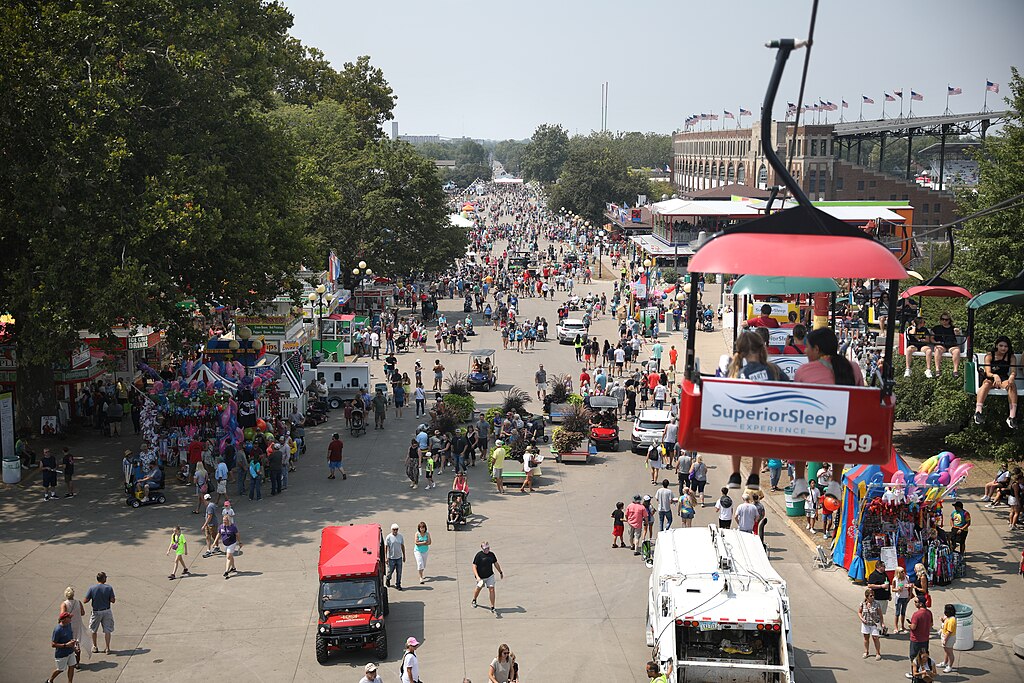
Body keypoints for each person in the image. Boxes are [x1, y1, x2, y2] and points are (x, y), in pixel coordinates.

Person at [792, 327, 864, 501]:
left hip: (812, 432)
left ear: (817, 349)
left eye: (808, 347)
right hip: (843, 434)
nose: (806, 351)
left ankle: (800, 479)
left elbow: (795, 401)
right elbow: (862, 396)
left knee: (798, 428)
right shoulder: (852, 367)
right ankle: (835, 482)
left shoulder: (804, 371)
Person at [726, 331, 788, 493]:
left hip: (742, 422)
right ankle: (754, 474)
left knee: (735, 433)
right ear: (762, 348)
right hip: (767, 422)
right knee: (760, 435)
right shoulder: (773, 370)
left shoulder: (735, 373)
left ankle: (735, 473)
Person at [974, 335, 1017, 428]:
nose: (1003, 348)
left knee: (1012, 385)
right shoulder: (990, 356)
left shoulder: (1011, 357)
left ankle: (1012, 416)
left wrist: (1012, 376)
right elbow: (988, 372)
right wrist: (995, 376)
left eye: (1005, 346)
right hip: (991, 377)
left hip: (1003, 378)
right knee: (986, 384)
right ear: (997, 345)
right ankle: (978, 411)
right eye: (1001, 346)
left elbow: (1013, 370)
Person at [83, 572, 115, 654]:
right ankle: (107, 648)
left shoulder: (92, 588)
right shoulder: (109, 588)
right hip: (107, 610)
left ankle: (95, 646)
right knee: (107, 630)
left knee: (94, 630)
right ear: (104, 579)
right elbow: (113, 600)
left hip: (96, 611)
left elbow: (85, 600)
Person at [471, 541, 503, 612]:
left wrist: (500, 572)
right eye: (485, 548)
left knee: (492, 589)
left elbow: (495, 563)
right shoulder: (479, 555)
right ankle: (474, 599)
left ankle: (492, 606)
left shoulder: (491, 555)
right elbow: (474, 566)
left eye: (488, 548)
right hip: (481, 577)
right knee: (478, 589)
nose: (487, 550)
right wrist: (477, 576)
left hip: (490, 576)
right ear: (482, 548)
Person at [59, 587, 87, 666]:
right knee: (76, 643)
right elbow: (83, 613)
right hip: (77, 625)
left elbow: (62, 616)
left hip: (68, 626)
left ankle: (69, 660)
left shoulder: (64, 604)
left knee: (68, 642)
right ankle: (77, 662)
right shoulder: (78, 602)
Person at [47, 611, 78, 683]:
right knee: (60, 669)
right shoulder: (58, 630)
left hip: (70, 651)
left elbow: (70, 637)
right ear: (64, 619)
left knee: (72, 666)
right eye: (69, 618)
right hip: (61, 654)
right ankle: (50, 680)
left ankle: (70, 682)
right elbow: (53, 644)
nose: (71, 619)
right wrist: (66, 645)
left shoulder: (69, 625)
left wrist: (74, 646)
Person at [930, 312, 962, 377]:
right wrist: (936, 342)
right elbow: (931, 338)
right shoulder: (936, 328)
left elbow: (958, 335)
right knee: (938, 349)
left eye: (946, 319)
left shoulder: (953, 328)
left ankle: (955, 370)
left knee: (957, 351)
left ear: (949, 320)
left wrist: (957, 332)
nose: (944, 321)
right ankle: (937, 369)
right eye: (942, 319)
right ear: (940, 320)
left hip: (951, 345)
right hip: (941, 345)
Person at [866, 559, 892, 636]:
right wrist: (881, 586)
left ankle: (881, 629)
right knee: (877, 615)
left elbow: (887, 584)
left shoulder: (884, 574)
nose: (885, 567)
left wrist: (889, 595)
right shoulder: (873, 575)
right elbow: (870, 585)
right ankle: (877, 630)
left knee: (881, 615)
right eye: (883, 566)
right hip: (877, 598)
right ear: (879, 567)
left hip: (884, 598)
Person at [908, 597, 934, 670]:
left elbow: (913, 627)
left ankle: (914, 672)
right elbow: (931, 624)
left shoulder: (916, 614)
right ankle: (924, 670)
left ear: (920, 604)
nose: (915, 603)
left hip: (916, 639)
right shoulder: (929, 612)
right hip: (925, 639)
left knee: (913, 657)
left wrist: (910, 625)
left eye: (916, 602)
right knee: (923, 656)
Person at [214, 515, 241, 579]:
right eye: (223, 520)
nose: (224, 522)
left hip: (232, 543)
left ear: (228, 520)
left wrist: (240, 542)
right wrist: (215, 541)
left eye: (225, 520)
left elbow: (237, 534)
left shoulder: (233, 527)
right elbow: (219, 533)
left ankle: (226, 572)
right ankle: (233, 568)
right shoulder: (221, 526)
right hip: (225, 544)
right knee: (230, 556)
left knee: (228, 556)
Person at [385, 523, 406, 590]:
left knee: (399, 572)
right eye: (394, 530)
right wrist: (386, 557)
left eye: (396, 529)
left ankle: (398, 584)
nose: (395, 531)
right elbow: (386, 547)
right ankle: (388, 579)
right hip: (391, 558)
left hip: (399, 557)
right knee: (390, 571)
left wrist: (404, 555)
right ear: (391, 530)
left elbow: (402, 546)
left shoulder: (400, 536)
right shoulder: (388, 537)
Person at [892, 565, 911, 633]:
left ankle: (902, 626)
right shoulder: (895, 579)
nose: (903, 573)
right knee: (897, 613)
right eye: (902, 572)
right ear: (898, 573)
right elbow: (892, 589)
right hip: (899, 597)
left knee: (903, 612)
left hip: (905, 597)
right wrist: (897, 589)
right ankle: (896, 627)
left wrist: (910, 595)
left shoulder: (907, 578)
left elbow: (910, 586)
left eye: (903, 571)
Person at [939, 604, 957, 673]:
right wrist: (943, 620)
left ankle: (950, 666)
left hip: (949, 637)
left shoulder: (952, 620)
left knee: (950, 653)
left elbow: (949, 632)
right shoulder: (948, 617)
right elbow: (945, 622)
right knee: (947, 651)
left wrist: (945, 640)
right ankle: (945, 663)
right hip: (945, 635)